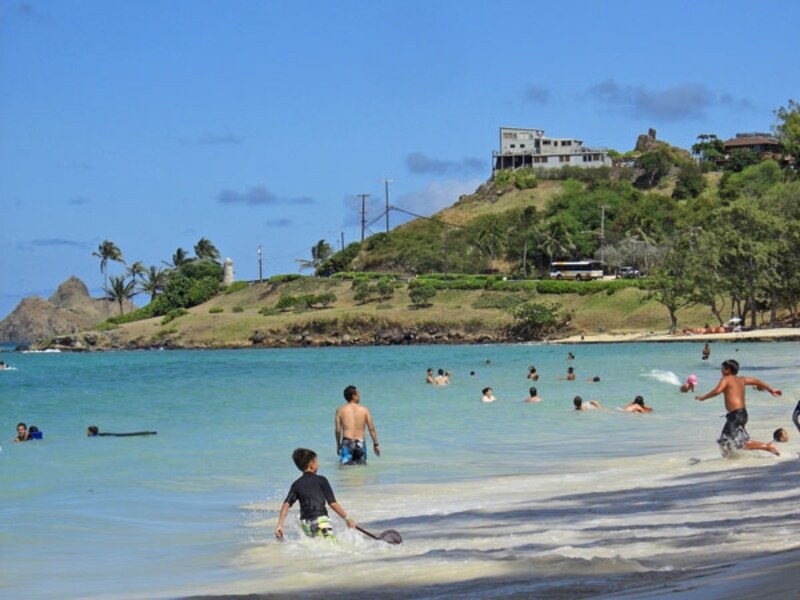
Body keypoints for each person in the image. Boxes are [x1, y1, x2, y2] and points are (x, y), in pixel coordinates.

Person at [695, 359, 782, 456]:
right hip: (741, 414)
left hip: (736, 415)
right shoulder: (742, 379)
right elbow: (758, 382)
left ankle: (767, 446)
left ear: (728, 370)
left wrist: (704, 397)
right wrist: (771, 390)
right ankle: (731, 460)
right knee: (725, 441)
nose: (721, 370)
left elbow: (717, 391)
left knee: (736, 442)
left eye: (722, 368)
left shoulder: (726, 379)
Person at [275, 448, 355, 541]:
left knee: (314, 546)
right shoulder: (322, 480)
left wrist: (280, 525)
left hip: (305, 524)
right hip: (321, 521)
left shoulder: (296, 484)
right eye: (316, 461)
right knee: (331, 545)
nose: (318, 464)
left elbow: (286, 504)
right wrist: (347, 519)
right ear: (312, 464)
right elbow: (332, 503)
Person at [335, 385, 380, 465]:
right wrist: (375, 444)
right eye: (358, 394)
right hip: (360, 443)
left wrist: (338, 444)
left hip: (347, 442)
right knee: (361, 468)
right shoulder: (364, 410)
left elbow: (338, 430)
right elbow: (371, 428)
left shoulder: (340, 410)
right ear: (354, 396)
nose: (359, 396)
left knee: (345, 468)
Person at [87, 425, 157, 437]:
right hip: (108, 434)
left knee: (122, 435)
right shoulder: (96, 435)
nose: (87, 432)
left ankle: (148, 433)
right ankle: (148, 433)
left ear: (91, 432)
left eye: (88, 431)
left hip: (113, 435)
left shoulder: (95, 436)